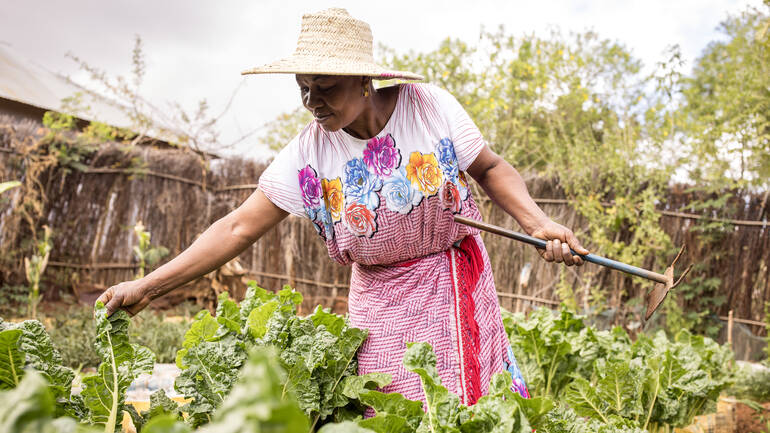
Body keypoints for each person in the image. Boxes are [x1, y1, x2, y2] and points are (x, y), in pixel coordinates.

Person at [97, 8, 588, 405]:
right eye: (303, 87)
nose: (311, 100)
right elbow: (237, 228)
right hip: (375, 296)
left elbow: (491, 168)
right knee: (386, 405)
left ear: (364, 83)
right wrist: (149, 285)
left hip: (449, 281)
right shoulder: (309, 153)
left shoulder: (429, 108)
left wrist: (539, 223)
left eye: (325, 86)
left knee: (457, 404)